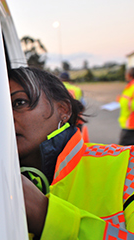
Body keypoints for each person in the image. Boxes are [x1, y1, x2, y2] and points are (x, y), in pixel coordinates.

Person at [9, 67, 134, 239]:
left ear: (64, 110)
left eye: (19, 103)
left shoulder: (127, 165)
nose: (6, 116)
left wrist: (46, 216)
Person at [118, 67, 134, 145]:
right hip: (127, 123)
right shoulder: (129, 86)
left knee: (124, 150)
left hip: (131, 123)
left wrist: (126, 103)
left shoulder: (132, 86)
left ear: (129, 75)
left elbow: (130, 103)